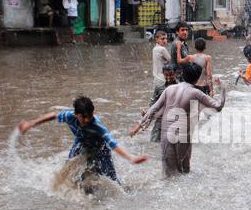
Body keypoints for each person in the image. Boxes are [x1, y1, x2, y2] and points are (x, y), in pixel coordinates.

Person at [18, 96, 149, 187]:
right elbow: (53, 115)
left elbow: (112, 143)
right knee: (67, 173)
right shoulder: (70, 116)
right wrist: (30, 124)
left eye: (89, 116)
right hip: (80, 144)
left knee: (112, 180)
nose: (87, 120)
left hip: (101, 149)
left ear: (93, 112)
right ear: (76, 114)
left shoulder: (97, 126)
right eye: (83, 117)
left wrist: (131, 158)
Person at [129, 63, 226, 177]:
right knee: (184, 171)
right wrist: (223, 87)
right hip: (183, 135)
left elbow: (153, 109)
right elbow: (218, 106)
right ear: (197, 78)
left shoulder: (169, 89)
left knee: (168, 173)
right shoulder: (196, 93)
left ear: (183, 75)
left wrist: (139, 126)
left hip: (166, 133)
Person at [149, 64, 178, 142]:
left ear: (176, 73)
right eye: (166, 75)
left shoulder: (181, 87)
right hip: (160, 122)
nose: (168, 78)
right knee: (154, 143)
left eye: (171, 75)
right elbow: (153, 104)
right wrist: (147, 112)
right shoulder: (159, 88)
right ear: (163, 74)